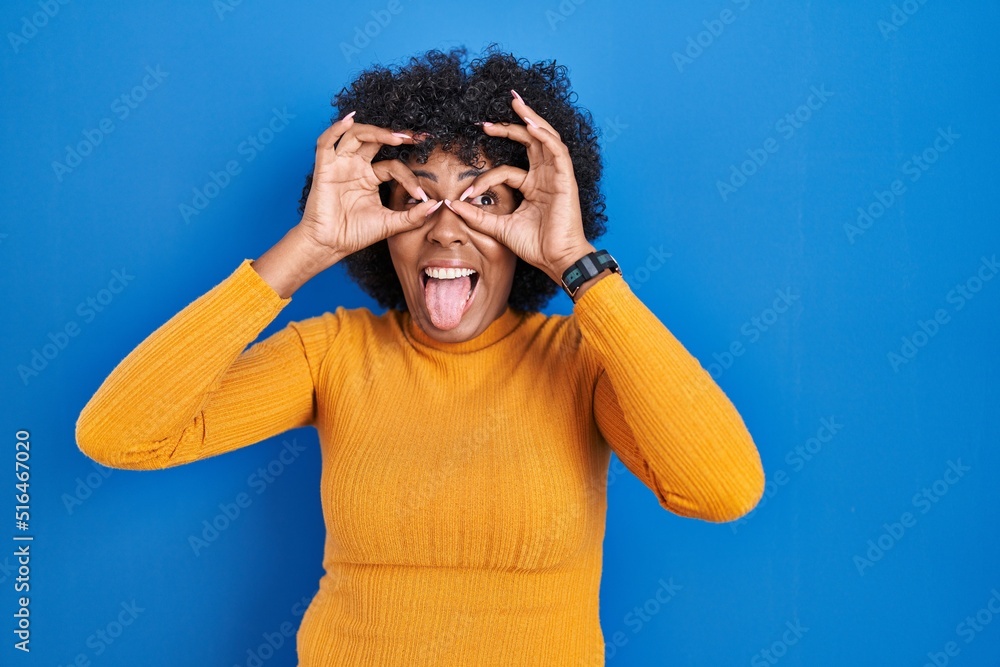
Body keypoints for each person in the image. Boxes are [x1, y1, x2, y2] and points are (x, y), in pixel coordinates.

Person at [75, 44, 765, 666]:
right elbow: (120, 435)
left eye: (484, 198)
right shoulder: (335, 352)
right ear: (381, 221)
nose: (446, 229)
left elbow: (721, 488)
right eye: (414, 198)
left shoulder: (582, 359)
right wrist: (302, 251)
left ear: (531, 215)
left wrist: (577, 264)